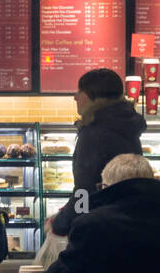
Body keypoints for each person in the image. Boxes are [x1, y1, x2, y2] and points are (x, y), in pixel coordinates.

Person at [50, 69, 147, 237]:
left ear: (90, 95)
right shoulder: (127, 126)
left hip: (101, 228)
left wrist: (62, 223)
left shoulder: (93, 133)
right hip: (130, 223)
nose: (75, 97)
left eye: (79, 90)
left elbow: (84, 191)